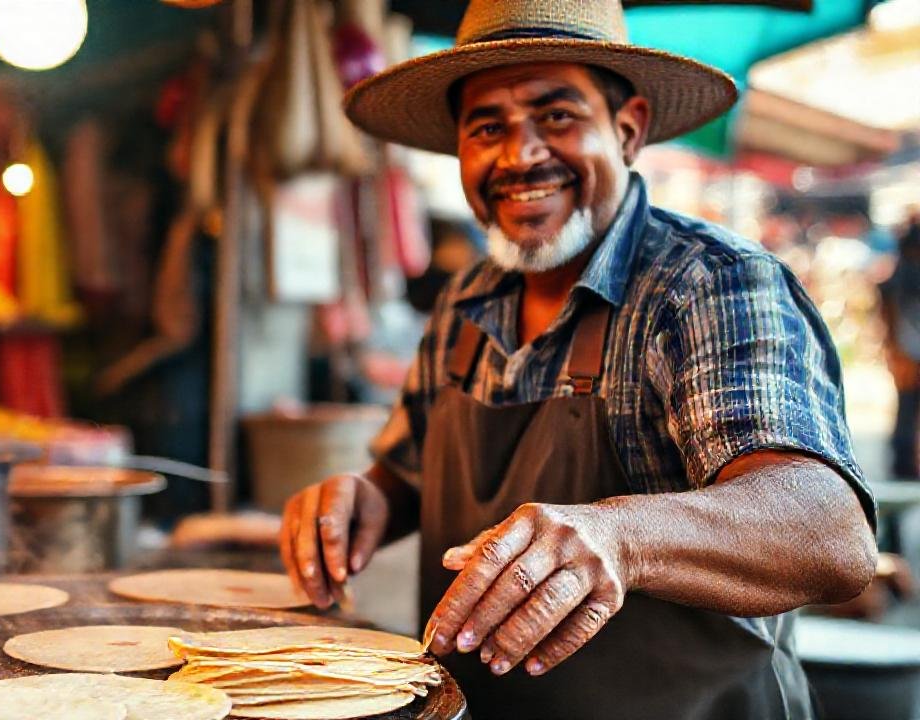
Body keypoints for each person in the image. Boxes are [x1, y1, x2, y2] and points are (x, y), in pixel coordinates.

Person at [278, 1, 878, 718]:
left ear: (627, 132)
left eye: (556, 116)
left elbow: (830, 534)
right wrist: (361, 499)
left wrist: (620, 537)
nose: (520, 155)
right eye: (487, 127)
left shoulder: (707, 283)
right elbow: (404, 472)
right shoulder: (467, 299)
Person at [882, 212, 920, 479]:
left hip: (906, 352)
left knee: (906, 412)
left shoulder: (901, 274)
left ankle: (903, 465)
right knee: (907, 413)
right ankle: (904, 466)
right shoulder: (906, 275)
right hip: (908, 353)